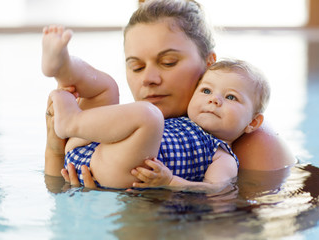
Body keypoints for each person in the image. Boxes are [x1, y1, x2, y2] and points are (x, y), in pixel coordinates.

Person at [44, 0, 295, 189]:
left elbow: (258, 225)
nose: (148, 79)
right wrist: (56, 150)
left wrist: (162, 193)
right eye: (136, 67)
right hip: (98, 153)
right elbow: (56, 192)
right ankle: (64, 66)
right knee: (106, 87)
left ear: (209, 64)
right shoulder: (131, 120)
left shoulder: (253, 141)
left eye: (168, 62)